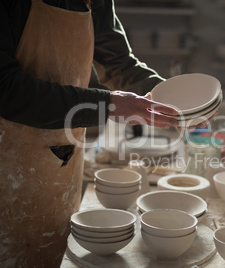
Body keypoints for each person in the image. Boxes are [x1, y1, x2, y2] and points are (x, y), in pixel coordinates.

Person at [0, 0, 209, 266]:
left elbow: (118, 63)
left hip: (60, 157)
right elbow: (7, 90)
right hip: (6, 159)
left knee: (50, 246)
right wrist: (107, 104)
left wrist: (179, 101)